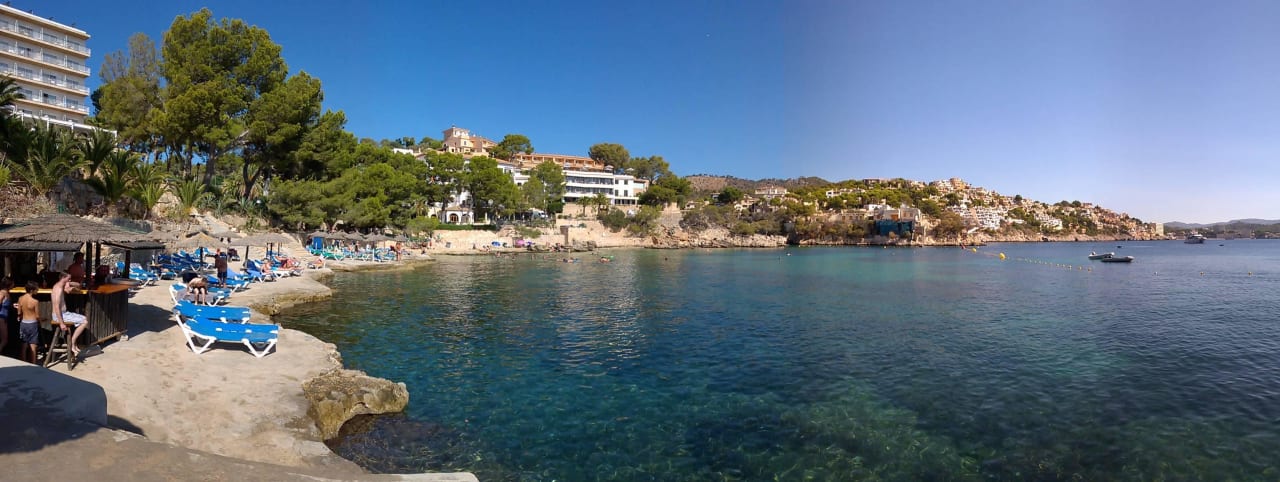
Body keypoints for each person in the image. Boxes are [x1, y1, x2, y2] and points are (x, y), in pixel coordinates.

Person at [51, 273, 88, 359]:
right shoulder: (58, 289)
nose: (70, 280)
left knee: (84, 319)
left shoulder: (60, 285)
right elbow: (56, 307)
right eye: (68, 278)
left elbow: (77, 285)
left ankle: (73, 343)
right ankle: (72, 342)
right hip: (59, 316)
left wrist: (70, 283)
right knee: (84, 321)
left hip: (65, 314)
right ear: (63, 278)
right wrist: (61, 323)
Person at [18, 281, 41, 364]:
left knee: (24, 344)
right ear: (32, 290)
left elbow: (19, 313)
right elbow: (37, 315)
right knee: (33, 344)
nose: (37, 290)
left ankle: (23, 362)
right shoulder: (35, 301)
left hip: (23, 323)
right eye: (36, 289)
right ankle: (33, 363)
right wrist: (40, 321)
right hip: (32, 323)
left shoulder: (20, 298)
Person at [0, 278, 11, 357]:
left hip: (4, 318)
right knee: (4, 340)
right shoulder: (2, 293)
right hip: (1, 318)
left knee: (4, 339)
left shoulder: (7, 293)